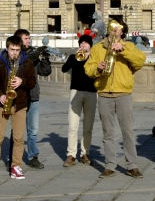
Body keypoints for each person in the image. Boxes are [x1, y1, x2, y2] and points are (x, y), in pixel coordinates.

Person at [84, 20, 146, 179]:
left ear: (122, 31)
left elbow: (140, 61)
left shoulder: (129, 46)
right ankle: (110, 165)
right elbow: (88, 69)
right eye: (112, 27)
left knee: (127, 131)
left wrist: (123, 50)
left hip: (123, 93)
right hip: (104, 93)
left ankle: (132, 165)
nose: (114, 30)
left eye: (117, 28)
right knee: (107, 133)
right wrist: (97, 68)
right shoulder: (98, 48)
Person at [0, 36, 36, 180]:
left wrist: (22, 81)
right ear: (7, 48)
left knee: (19, 138)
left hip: (19, 105)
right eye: (12, 50)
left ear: (21, 50)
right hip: (1, 104)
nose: (14, 53)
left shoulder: (27, 64)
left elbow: (32, 83)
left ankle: (16, 166)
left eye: (17, 50)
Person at [9, 29, 52, 170]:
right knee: (16, 129)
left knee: (33, 130)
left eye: (29, 38)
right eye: (26, 38)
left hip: (33, 95)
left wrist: (45, 58)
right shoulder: (14, 54)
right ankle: (12, 157)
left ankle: (33, 157)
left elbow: (44, 72)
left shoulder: (34, 54)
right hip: (18, 96)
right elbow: (23, 61)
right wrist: (36, 53)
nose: (29, 40)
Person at [61, 35, 97, 167]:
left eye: (86, 43)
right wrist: (75, 57)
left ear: (90, 45)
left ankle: (84, 153)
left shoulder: (95, 57)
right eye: (82, 42)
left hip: (91, 93)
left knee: (88, 126)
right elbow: (64, 69)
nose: (84, 45)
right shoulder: (73, 57)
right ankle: (71, 154)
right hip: (76, 92)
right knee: (73, 125)